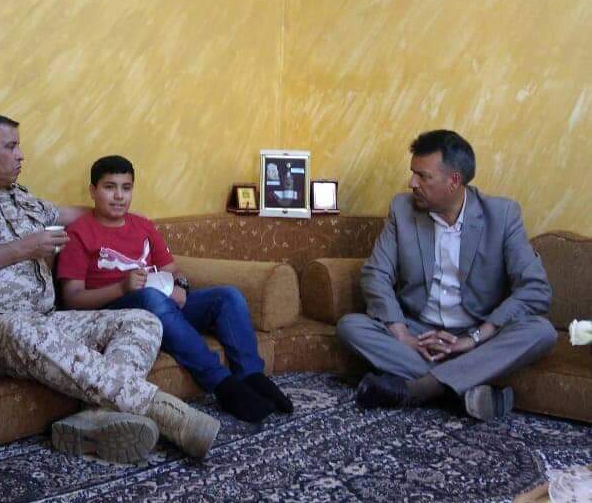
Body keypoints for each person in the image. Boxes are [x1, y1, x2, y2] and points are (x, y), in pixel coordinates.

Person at [0, 114, 219, 464]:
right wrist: (24, 247)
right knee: (23, 328)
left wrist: (125, 217)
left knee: (141, 320)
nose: (21, 155)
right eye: (11, 146)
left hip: (46, 319)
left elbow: (83, 213)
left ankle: (94, 419)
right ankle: (167, 413)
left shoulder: (21, 198)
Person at [337, 130, 556, 421]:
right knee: (351, 327)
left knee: (541, 331)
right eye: (412, 173)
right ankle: (466, 388)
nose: (412, 183)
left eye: (422, 176)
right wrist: (403, 336)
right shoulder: (402, 210)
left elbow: (535, 289)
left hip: (477, 336)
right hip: (419, 332)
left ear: (453, 181)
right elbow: (376, 274)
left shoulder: (502, 215)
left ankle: (420, 389)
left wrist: (475, 338)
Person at [57, 155, 293, 423]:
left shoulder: (142, 225)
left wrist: (180, 285)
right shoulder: (78, 233)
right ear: (93, 191)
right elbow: (71, 298)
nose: (119, 196)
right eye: (110, 187)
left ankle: (252, 376)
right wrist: (122, 288)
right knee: (151, 297)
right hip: (116, 311)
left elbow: (172, 269)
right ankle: (223, 385)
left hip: (162, 304)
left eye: (126, 187)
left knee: (228, 296)